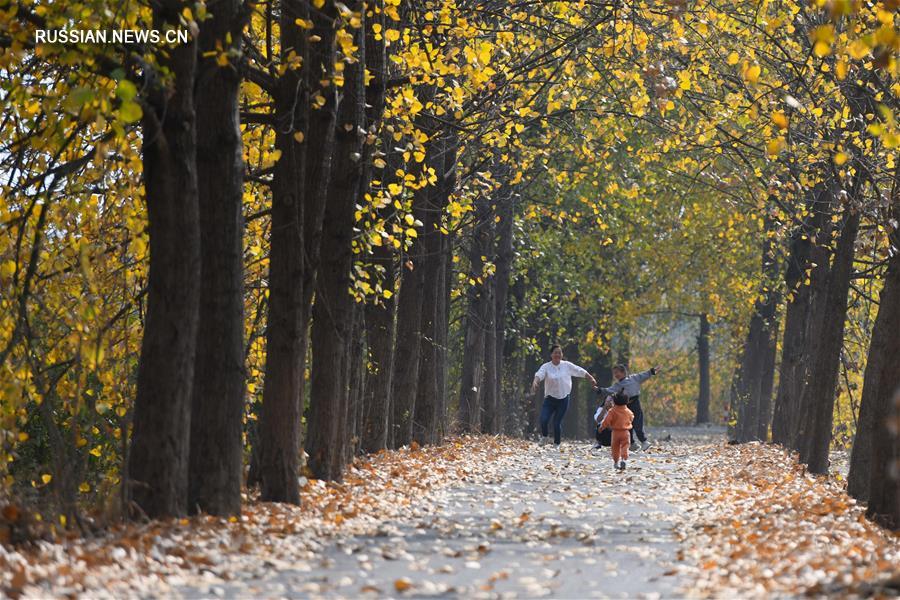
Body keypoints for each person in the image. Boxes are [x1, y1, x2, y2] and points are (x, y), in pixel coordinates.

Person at [531, 345, 597, 447]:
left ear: (562, 355)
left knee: (556, 422)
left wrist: (590, 378)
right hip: (550, 399)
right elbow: (539, 374)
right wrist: (535, 382)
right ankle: (545, 437)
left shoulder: (566, 365)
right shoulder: (546, 366)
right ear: (551, 354)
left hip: (563, 399)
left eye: (559, 353)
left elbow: (578, 370)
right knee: (544, 419)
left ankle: (557, 443)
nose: (557, 354)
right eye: (555, 352)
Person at [595, 364, 660, 452]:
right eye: (614, 373)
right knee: (627, 425)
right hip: (625, 406)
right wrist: (600, 390)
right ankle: (632, 444)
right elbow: (609, 390)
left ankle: (644, 441)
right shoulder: (617, 385)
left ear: (623, 372)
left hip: (635, 403)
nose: (616, 375)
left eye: (617, 372)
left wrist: (652, 371)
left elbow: (644, 375)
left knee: (637, 423)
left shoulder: (634, 378)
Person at [597, 393, 634, 471]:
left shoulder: (612, 411)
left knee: (615, 447)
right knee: (625, 446)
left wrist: (602, 427)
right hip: (625, 432)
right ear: (626, 401)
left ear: (615, 401)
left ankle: (616, 462)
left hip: (615, 433)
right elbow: (632, 418)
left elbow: (606, 421)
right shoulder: (628, 411)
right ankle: (624, 459)